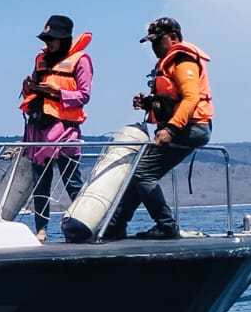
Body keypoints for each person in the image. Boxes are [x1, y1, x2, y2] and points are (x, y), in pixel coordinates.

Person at [103, 16, 215, 241]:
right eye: (151, 43)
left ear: (173, 38)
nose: (154, 47)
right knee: (140, 173)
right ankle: (116, 225)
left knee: (142, 172)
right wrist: (148, 103)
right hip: (183, 127)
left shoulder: (183, 61)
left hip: (190, 128)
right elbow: (170, 100)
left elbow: (191, 98)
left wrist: (171, 129)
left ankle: (166, 226)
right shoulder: (168, 64)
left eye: (157, 41)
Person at [19, 14, 93, 241]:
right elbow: (32, 91)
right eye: (47, 39)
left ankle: (89, 223)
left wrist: (54, 92)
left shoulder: (81, 60)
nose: (48, 43)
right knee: (41, 184)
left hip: (65, 133)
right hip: (39, 130)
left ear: (65, 39)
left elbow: (84, 95)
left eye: (53, 39)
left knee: (72, 181)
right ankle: (41, 230)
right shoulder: (40, 60)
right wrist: (29, 87)